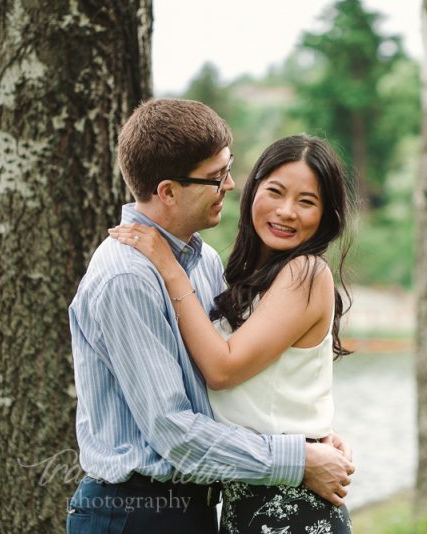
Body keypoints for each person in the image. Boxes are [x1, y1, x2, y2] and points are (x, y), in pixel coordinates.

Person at [68, 100, 354, 534]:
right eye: (217, 176)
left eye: (230, 168)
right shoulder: (127, 277)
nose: (230, 184)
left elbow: (229, 380)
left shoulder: (202, 263)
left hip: (208, 506)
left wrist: (311, 438)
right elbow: (174, 429)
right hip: (138, 510)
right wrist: (299, 458)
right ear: (168, 191)